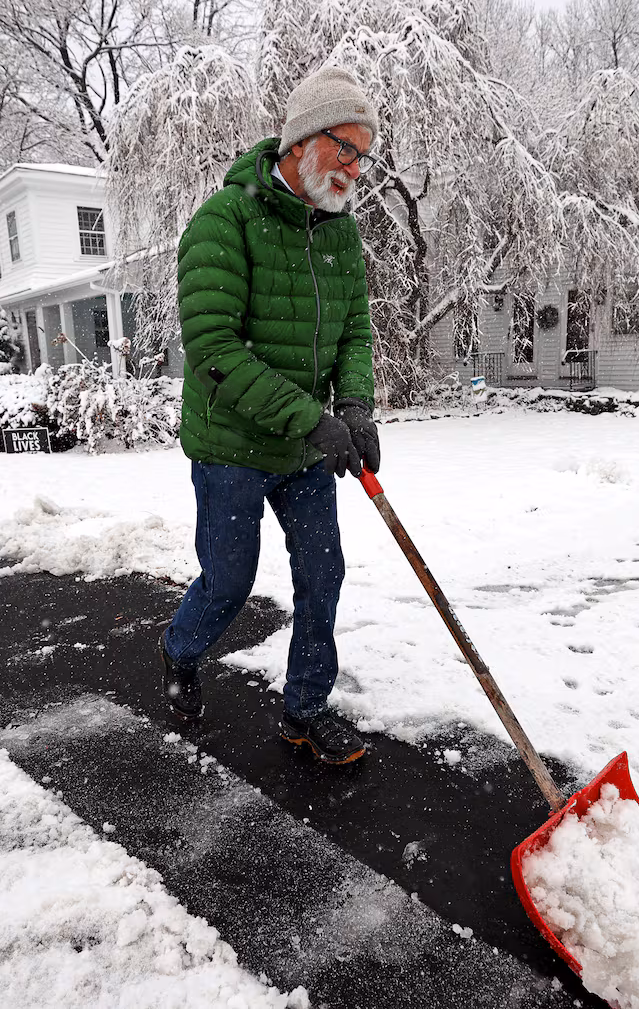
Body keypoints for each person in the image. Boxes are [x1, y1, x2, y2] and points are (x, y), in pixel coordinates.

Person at [161, 65, 383, 765]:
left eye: (362, 154)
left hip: (302, 448)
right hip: (230, 445)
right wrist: (313, 420)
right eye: (343, 147)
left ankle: (305, 709)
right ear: (300, 141)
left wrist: (353, 406)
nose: (354, 167)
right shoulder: (224, 221)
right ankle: (180, 653)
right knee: (228, 580)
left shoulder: (340, 235)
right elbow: (216, 350)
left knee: (324, 575)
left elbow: (354, 330)